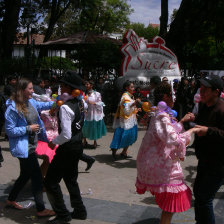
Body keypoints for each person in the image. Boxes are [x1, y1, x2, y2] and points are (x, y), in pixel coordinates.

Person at [136, 82, 198, 224]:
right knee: (170, 205)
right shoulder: (162, 116)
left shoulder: (161, 114)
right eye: (172, 94)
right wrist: (191, 131)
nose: (174, 98)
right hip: (162, 166)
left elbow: (168, 132)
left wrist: (182, 121)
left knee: (168, 205)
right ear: (165, 96)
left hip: (160, 162)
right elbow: (172, 138)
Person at [4, 78, 55, 217]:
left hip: (32, 144)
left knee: (25, 175)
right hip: (24, 148)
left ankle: (11, 199)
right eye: (30, 89)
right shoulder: (12, 108)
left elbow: (43, 105)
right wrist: (28, 128)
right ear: (22, 90)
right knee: (37, 178)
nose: (33, 91)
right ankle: (40, 209)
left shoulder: (31, 102)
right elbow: (10, 131)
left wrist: (60, 102)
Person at [44, 71, 87, 224]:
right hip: (77, 145)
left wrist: (53, 141)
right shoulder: (80, 102)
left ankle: (62, 214)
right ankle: (80, 211)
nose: (60, 88)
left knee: (50, 182)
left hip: (67, 147)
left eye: (62, 85)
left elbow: (66, 135)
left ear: (69, 88)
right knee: (70, 180)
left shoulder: (66, 107)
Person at [192, 74, 224, 224]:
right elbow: (200, 126)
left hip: (218, 163)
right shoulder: (204, 106)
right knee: (198, 193)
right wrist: (190, 120)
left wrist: (208, 130)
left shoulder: (222, 109)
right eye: (201, 88)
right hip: (204, 160)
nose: (201, 91)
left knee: (205, 198)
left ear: (216, 92)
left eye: (205, 89)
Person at [110, 81, 140, 159]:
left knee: (130, 136)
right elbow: (125, 109)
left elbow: (130, 108)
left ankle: (124, 152)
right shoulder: (125, 97)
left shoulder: (130, 96)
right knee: (121, 135)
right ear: (127, 88)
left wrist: (136, 109)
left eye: (133, 87)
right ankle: (114, 151)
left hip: (131, 119)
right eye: (131, 87)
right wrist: (134, 104)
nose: (133, 88)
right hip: (125, 121)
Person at [82, 80, 107, 148]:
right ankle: (84, 141)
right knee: (85, 126)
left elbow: (101, 103)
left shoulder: (97, 94)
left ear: (91, 85)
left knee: (94, 126)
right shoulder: (85, 94)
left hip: (95, 113)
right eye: (86, 84)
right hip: (87, 112)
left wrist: (94, 103)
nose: (86, 85)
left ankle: (95, 142)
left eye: (87, 84)